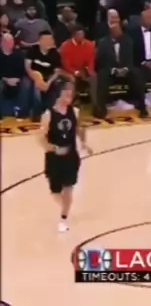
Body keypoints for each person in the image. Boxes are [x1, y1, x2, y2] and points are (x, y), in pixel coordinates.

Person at [38, 80, 93, 232]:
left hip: (70, 156)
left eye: (71, 92)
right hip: (54, 158)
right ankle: (65, 207)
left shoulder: (75, 111)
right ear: (58, 93)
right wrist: (50, 147)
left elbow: (79, 128)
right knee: (55, 191)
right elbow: (41, 136)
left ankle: (64, 217)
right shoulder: (48, 115)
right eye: (66, 92)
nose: (69, 95)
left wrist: (84, 143)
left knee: (68, 187)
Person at [25, 31, 64, 121]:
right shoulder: (32, 50)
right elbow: (27, 67)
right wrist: (37, 79)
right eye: (45, 40)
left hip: (48, 77)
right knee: (36, 88)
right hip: (33, 75)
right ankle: (36, 113)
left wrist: (48, 83)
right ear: (39, 41)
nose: (48, 42)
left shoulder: (55, 54)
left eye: (50, 39)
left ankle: (52, 112)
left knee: (55, 86)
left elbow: (57, 72)